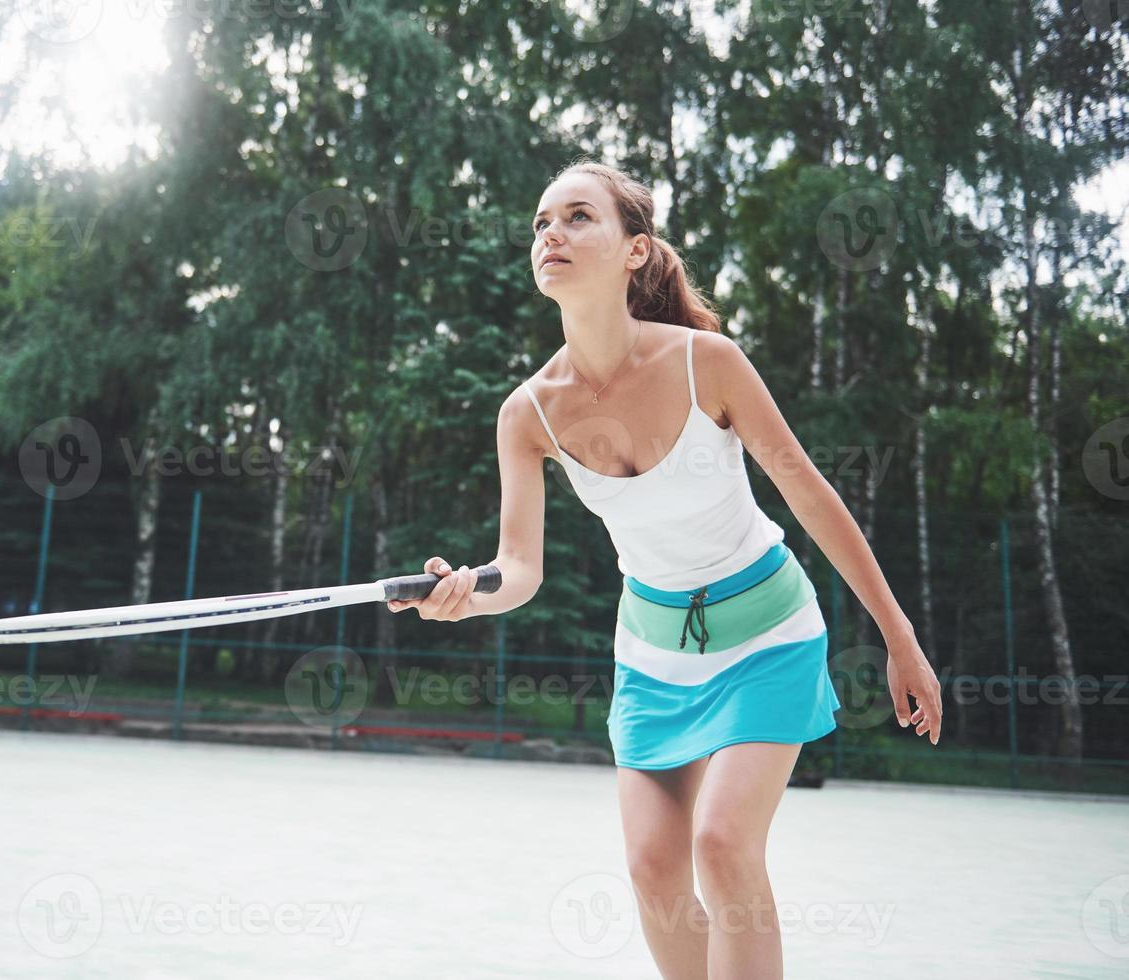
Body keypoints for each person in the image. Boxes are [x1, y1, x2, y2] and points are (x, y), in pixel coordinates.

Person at [387, 158, 943, 979]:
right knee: (652, 873)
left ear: (634, 250)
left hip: (767, 638)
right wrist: (466, 595)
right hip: (651, 657)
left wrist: (898, 637)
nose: (551, 235)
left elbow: (810, 497)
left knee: (721, 844)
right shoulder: (527, 411)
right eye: (541, 223)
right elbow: (518, 568)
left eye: (577, 218)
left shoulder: (705, 362)